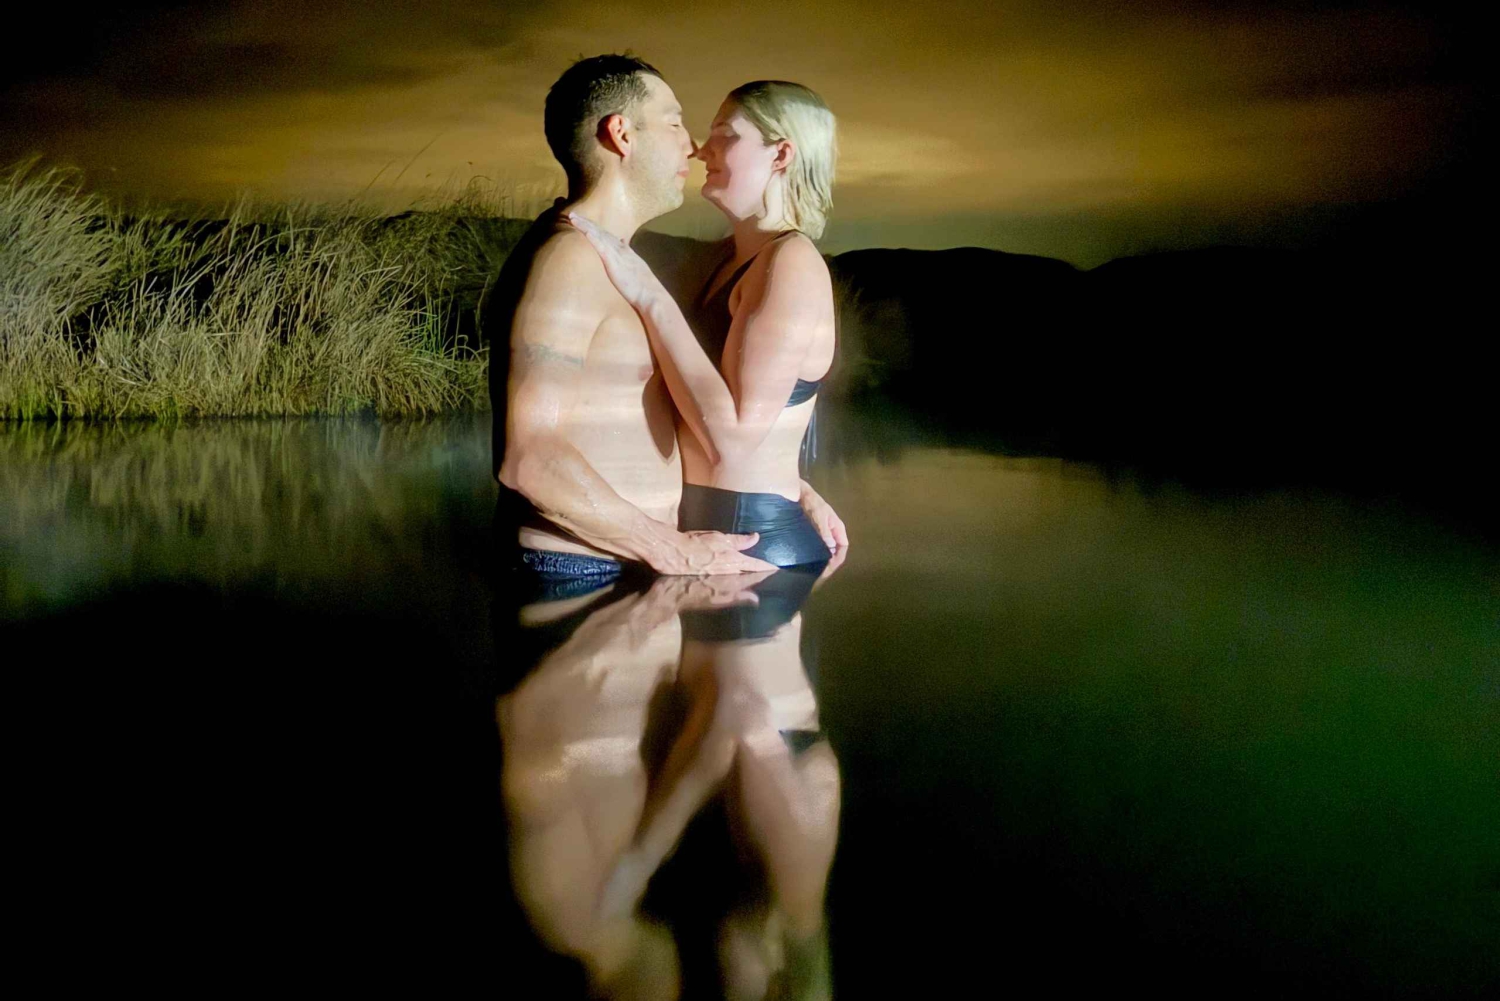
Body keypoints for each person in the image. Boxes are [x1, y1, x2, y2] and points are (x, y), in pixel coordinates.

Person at [482, 55, 843, 583]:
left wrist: (783, 489)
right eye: (675, 123)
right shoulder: (570, 259)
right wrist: (670, 549)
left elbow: (705, 412)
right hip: (584, 569)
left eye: (722, 134)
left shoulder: (616, 261)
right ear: (622, 135)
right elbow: (530, 457)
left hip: (639, 561)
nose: (694, 146)